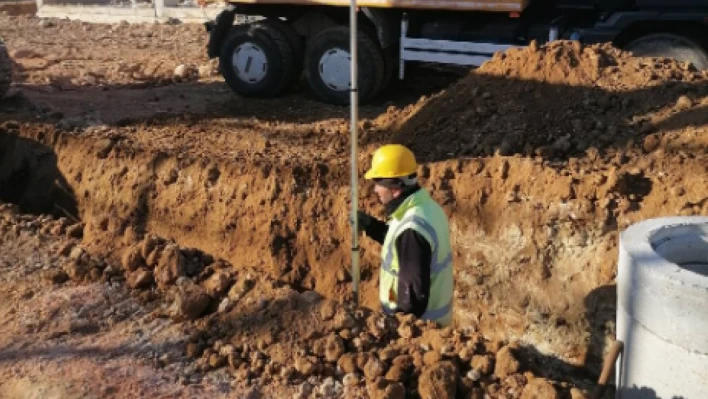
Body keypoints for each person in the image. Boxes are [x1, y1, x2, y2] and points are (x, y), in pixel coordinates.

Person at [358, 144, 454, 327]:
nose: (375, 189)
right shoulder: (425, 208)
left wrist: (397, 332)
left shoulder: (412, 228)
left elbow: (412, 301)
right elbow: (402, 246)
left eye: (379, 182)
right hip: (436, 325)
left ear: (395, 187)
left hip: (421, 333)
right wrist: (370, 226)